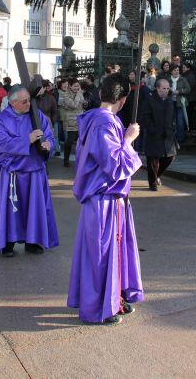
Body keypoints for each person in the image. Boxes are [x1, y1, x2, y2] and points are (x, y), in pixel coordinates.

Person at [67, 73, 143, 325]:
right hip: (103, 200)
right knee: (100, 256)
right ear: (122, 100)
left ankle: (114, 300)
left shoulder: (97, 120)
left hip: (107, 200)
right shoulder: (104, 123)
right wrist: (129, 140)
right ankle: (98, 309)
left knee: (109, 254)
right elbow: (114, 165)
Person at [0, 86, 59, 257]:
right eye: (24, 102)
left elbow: (49, 135)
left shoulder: (37, 115)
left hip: (34, 170)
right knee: (10, 209)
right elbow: (2, 144)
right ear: (13, 103)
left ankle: (32, 241)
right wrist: (26, 140)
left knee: (34, 207)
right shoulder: (1, 120)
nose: (29, 104)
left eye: (29, 100)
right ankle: (8, 243)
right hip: (11, 172)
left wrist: (49, 144)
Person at [139, 78, 177, 191]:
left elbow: (172, 116)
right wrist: (152, 129)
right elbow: (145, 117)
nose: (166, 90)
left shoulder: (169, 100)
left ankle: (156, 176)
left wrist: (173, 128)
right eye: (164, 88)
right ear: (158, 88)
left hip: (168, 135)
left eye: (168, 88)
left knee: (170, 157)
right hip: (154, 135)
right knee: (153, 160)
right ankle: (152, 183)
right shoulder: (150, 100)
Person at [59, 77, 85, 167]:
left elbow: (81, 103)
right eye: (75, 86)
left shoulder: (80, 93)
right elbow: (74, 105)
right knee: (69, 141)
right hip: (71, 121)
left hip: (80, 121)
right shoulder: (65, 95)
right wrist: (79, 94)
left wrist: (85, 102)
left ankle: (81, 161)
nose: (77, 88)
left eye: (78, 86)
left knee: (81, 142)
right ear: (70, 86)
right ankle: (66, 160)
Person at [166, 64, 191, 144]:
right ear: (171, 71)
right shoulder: (168, 79)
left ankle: (180, 138)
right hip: (170, 102)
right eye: (175, 70)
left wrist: (179, 91)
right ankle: (173, 138)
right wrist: (169, 90)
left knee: (180, 120)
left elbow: (188, 89)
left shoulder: (183, 79)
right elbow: (164, 89)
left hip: (180, 103)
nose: (177, 72)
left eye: (177, 70)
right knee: (172, 120)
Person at [182, 63, 196, 133]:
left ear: (188, 68)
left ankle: (190, 128)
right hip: (188, 98)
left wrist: (183, 90)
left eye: (184, 67)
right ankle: (188, 127)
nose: (182, 69)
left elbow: (191, 86)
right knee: (187, 113)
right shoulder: (185, 75)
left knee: (190, 113)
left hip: (190, 98)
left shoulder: (190, 75)